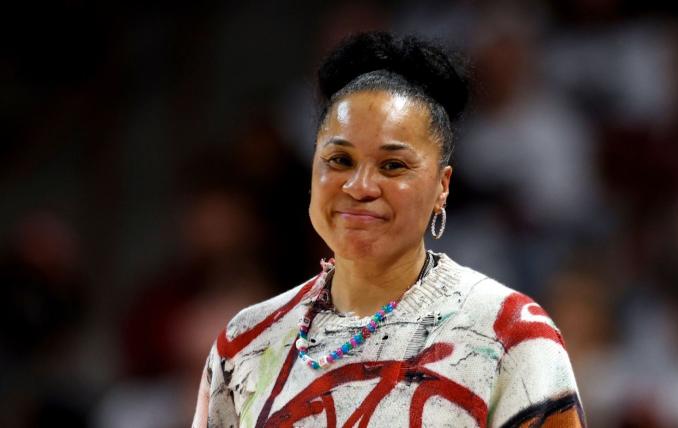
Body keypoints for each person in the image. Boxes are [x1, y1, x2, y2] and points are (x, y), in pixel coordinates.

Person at [192, 31, 584, 428]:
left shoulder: (509, 335)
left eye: (392, 166)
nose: (359, 186)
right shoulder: (244, 343)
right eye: (340, 159)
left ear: (441, 187)